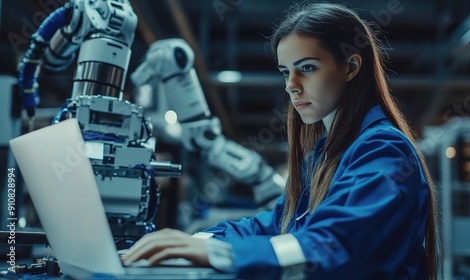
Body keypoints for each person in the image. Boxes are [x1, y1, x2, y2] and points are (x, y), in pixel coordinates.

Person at [122, 2, 441, 279]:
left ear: (351, 67)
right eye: (285, 72)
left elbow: (335, 250)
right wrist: (199, 242)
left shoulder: (383, 151)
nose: (292, 85)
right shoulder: (324, 156)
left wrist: (224, 255)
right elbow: (275, 225)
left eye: (307, 69)